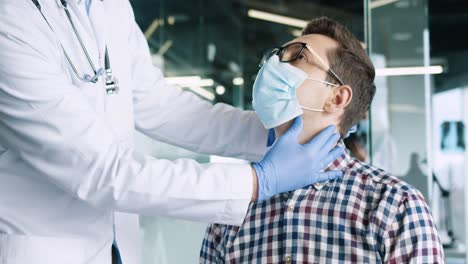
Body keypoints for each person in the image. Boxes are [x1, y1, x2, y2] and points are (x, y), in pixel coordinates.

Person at [0, 1, 346, 263]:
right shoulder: (11, 22)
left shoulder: (109, 6)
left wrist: (274, 133)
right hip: (41, 247)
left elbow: (159, 104)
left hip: (116, 247)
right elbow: (103, 172)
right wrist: (258, 181)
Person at [200, 17, 444, 263]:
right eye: (276, 55)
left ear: (337, 98)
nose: (273, 64)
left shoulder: (394, 206)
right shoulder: (236, 205)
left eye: (298, 56)